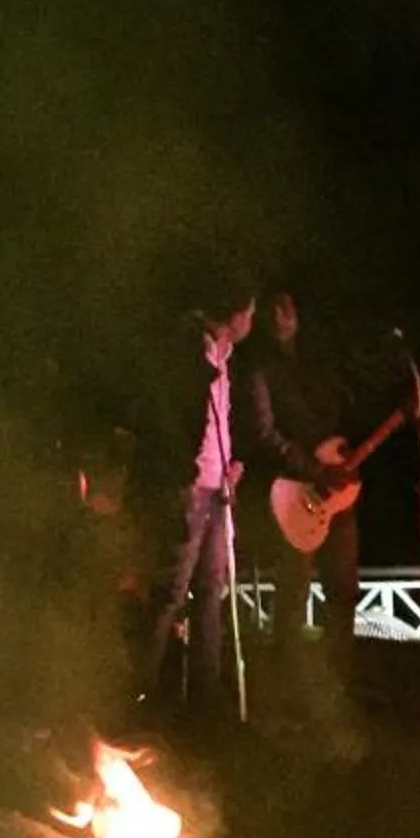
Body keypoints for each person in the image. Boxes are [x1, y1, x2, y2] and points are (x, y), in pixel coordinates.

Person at [235, 287, 360, 698]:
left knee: (343, 585)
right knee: (294, 590)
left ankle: (337, 681)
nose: (279, 315)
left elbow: (341, 415)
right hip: (291, 493)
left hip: (334, 490)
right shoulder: (258, 369)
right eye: (272, 308)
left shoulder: (319, 365)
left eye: (286, 307)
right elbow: (263, 434)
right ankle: (290, 684)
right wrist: (314, 469)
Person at [143, 284, 256, 715]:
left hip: (218, 486)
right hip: (191, 486)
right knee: (173, 588)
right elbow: (175, 413)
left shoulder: (227, 360)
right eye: (250, 312)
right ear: (237, 313)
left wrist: (232, 465)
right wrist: (187, 470)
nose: (252, 321)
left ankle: (204, 694)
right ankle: (145, 691)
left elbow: (222, 420)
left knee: (212, 589)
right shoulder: (193, 351)